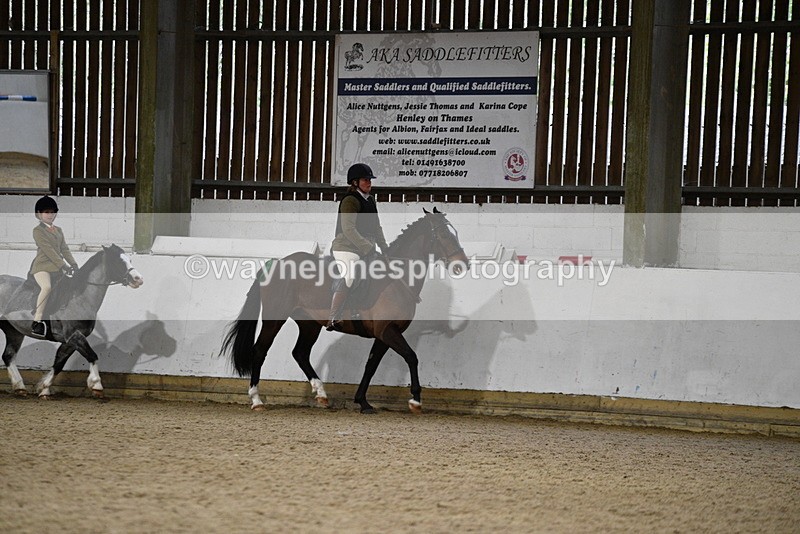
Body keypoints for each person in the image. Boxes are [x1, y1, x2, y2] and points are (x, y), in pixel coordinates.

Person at [326, 163, 390, 331]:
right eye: (365, 180)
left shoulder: (370, 200)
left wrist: (385, 249)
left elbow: (377, 227)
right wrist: (368, 248)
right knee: (349, 275)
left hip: (365, 248)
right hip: (346, 247)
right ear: (355, 182)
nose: (369, 183)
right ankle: (333, 316)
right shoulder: (350, 201)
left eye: (370, 180)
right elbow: (348, 229)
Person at [30, 196, 78, 338]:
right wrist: (63, 265)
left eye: (52, 212)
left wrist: (74, 264)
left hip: (57, 268)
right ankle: (37, 322)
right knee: (47, 287)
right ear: (39, 214)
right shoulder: (38, 231)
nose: (50, 215)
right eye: (46, 212)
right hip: (42, 267)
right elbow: (49, 251)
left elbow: (64, 249)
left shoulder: (58, 230)